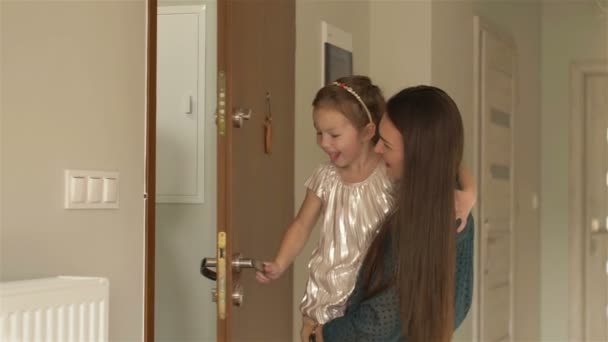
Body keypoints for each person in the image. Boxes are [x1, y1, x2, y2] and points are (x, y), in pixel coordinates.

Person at [255, 78, 476, 340]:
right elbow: (302, 224)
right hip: (328, 304)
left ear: (367, 132)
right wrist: (280, 263)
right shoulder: (328, 177)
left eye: (334, 135)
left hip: (352, 312)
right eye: (319, 133)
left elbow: (379, 320)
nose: (324, 143)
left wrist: (470, 191)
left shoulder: (398, 185)